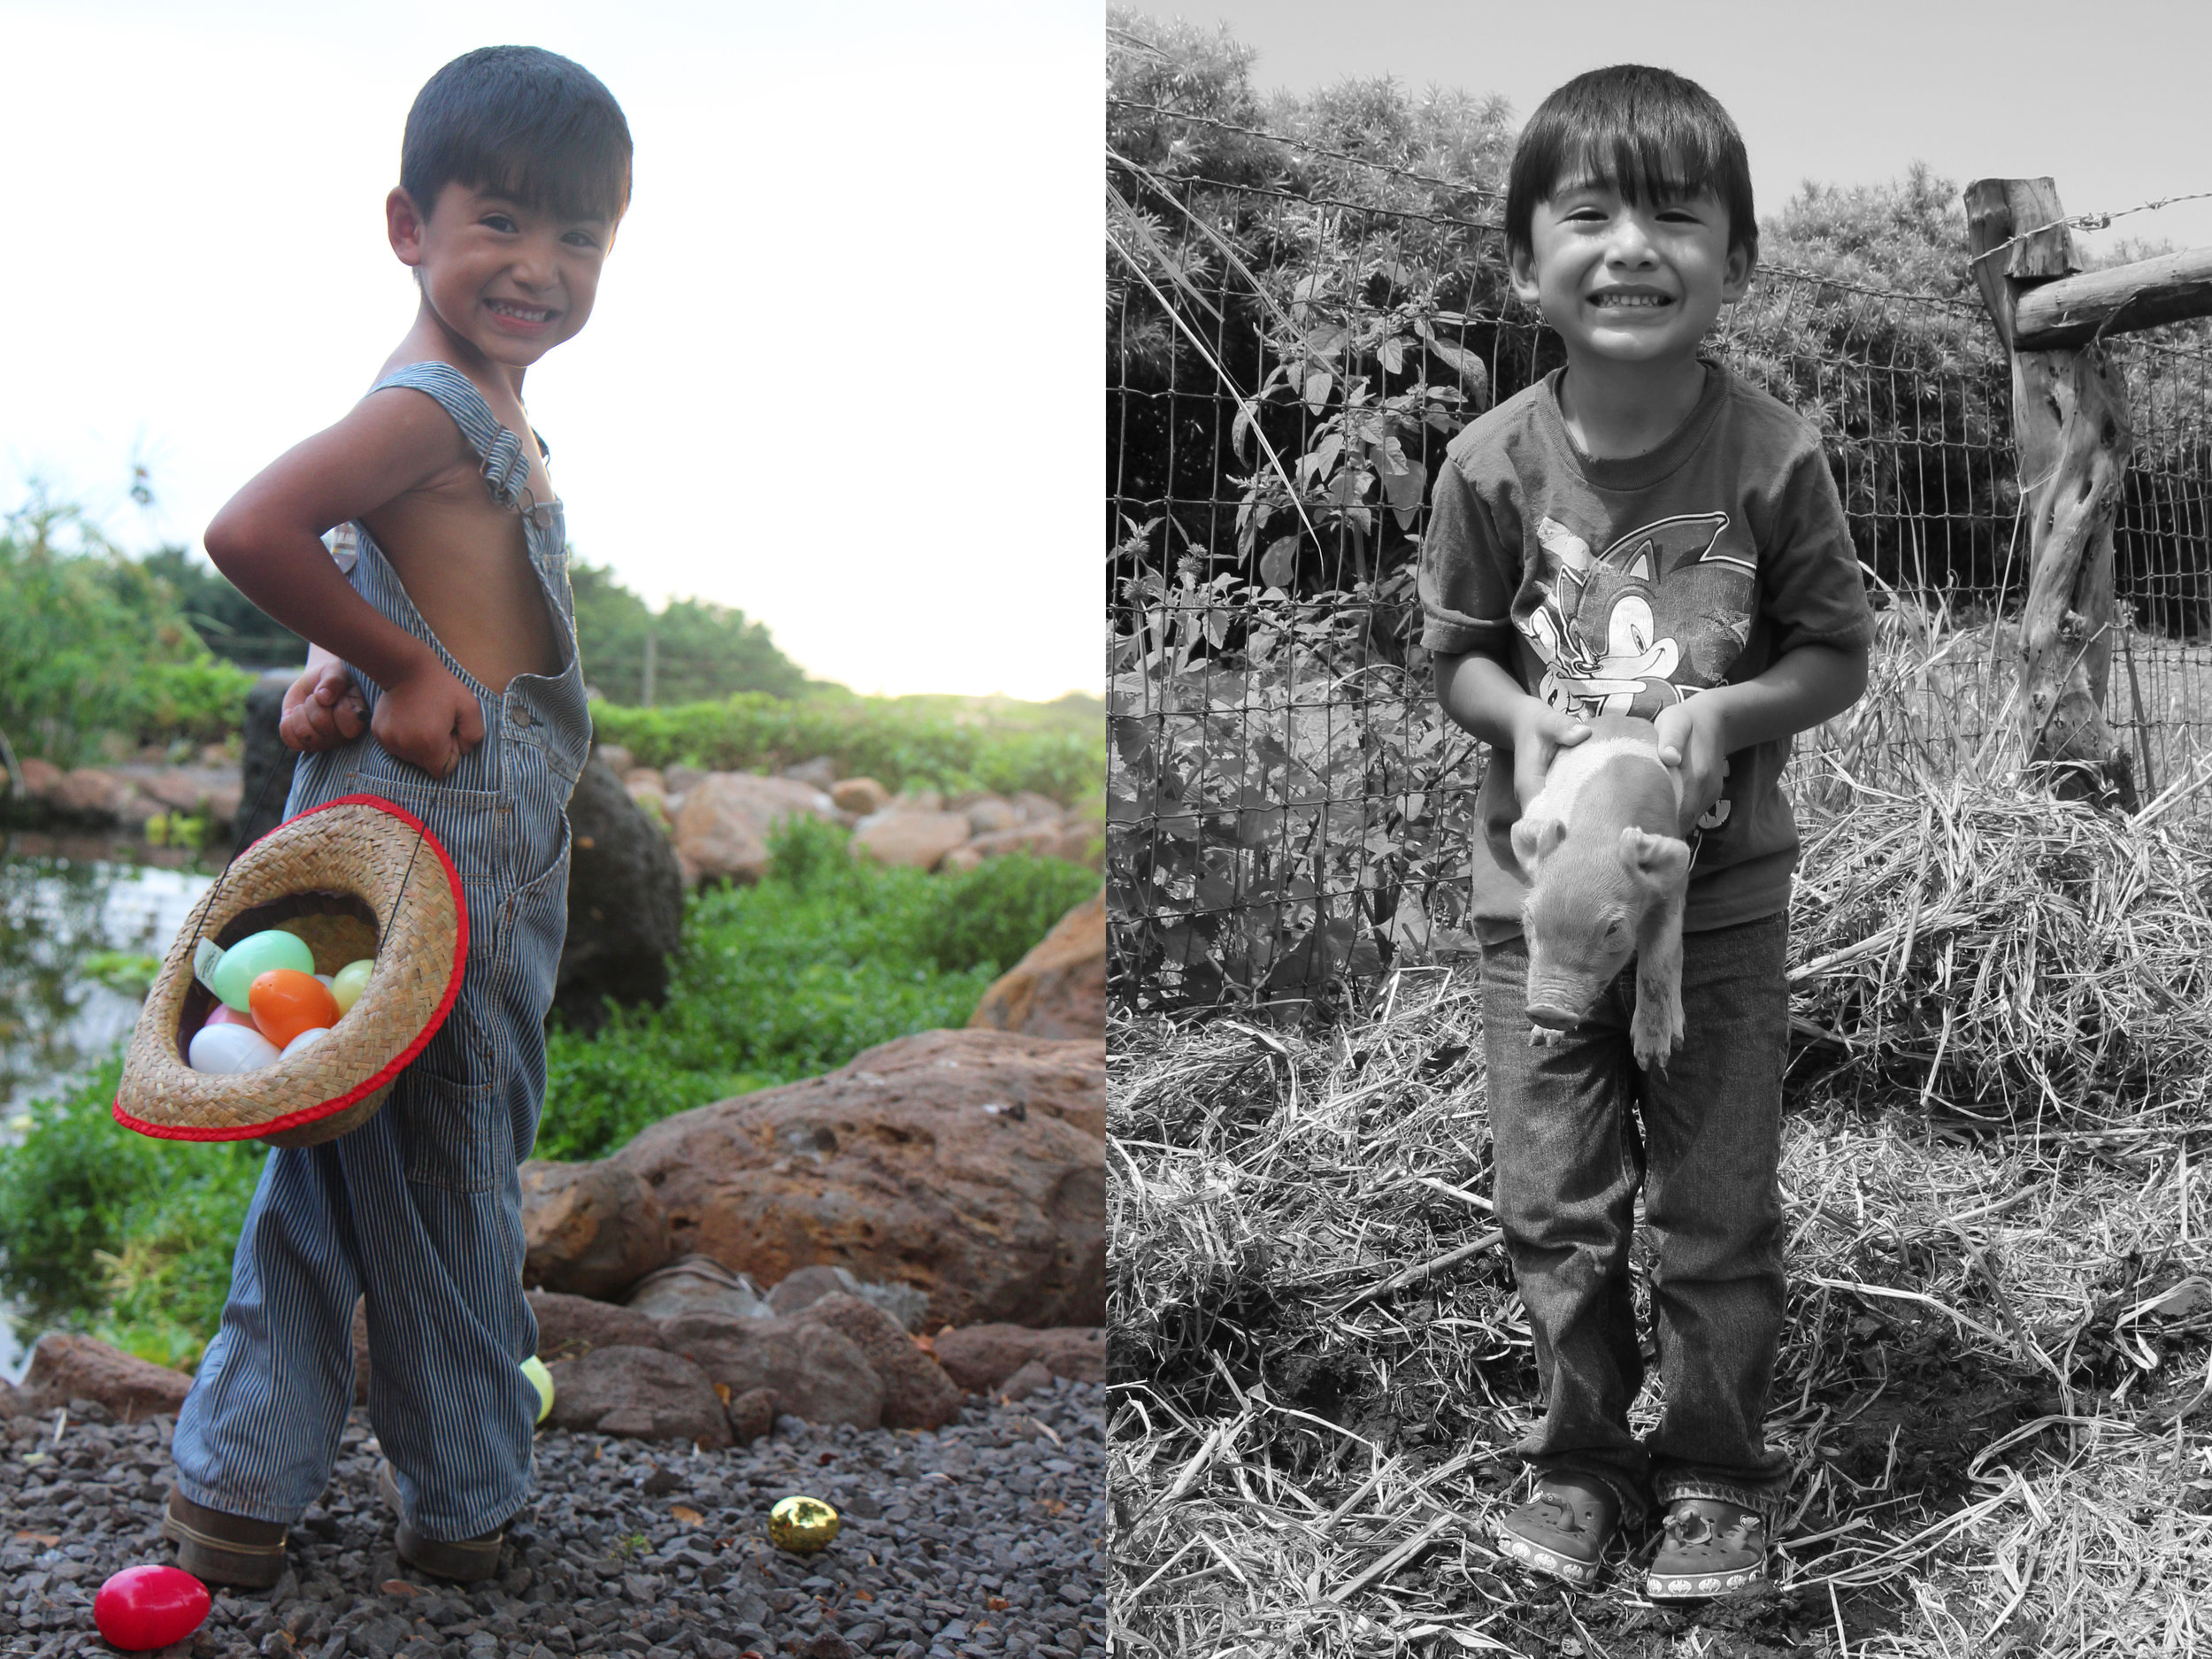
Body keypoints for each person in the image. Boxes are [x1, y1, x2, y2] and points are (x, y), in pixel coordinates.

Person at [161, 45, 631, 1587]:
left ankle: (235, 1487)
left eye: (580, 239)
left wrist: (340, 648)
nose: (539, 268)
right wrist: (398, 663)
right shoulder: (436, 404)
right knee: (448, 1167)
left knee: (328, 1165)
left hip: (414, 834)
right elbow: (253, 524)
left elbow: (360, 551)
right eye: (500, 222)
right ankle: (466, 1497)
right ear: (407, 225)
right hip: (442, 850)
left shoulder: (468, 403)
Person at [1418, 64, 1874, 1599]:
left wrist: (1725, 719)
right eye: (1589, 214)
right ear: (1522, 261)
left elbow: (1832, 654)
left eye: (1676, 217)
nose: (1631, 246)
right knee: (1555, 1200)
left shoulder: (1772, 455)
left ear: (1735, 262)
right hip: (1532, 899)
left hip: (1720, 904)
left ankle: (1720, 1477)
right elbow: (1460, 652)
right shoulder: (1490, 464)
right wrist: (1521, 721)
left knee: (1715, 1204)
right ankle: (1582, 1459)